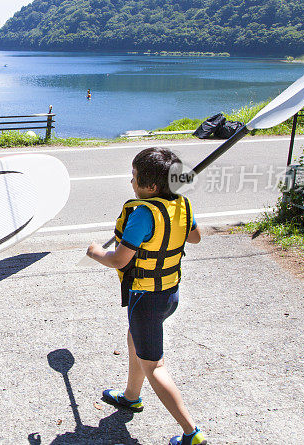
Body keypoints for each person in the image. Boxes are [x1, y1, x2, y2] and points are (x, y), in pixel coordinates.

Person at [85, 147, 207, 445]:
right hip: (169, 294)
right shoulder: (182, 205)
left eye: (135, 177)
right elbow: (194, 237)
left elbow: (118, 260)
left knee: (155, 365)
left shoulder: (142, 214)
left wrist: (95, 252)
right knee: (134, 339)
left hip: (146, 299)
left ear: (151, 187)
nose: (131, 182)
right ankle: (131, 396)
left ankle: (191, 432)